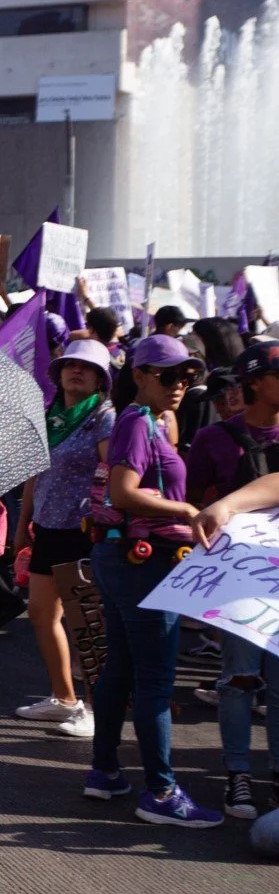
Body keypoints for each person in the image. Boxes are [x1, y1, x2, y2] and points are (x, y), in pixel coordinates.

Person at [82, 335, 221, 826]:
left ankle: (104, 772)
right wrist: (186, 509)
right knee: (155, 683)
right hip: (142, 562)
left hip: (127, 559)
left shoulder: (150, 421)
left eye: (188, 375)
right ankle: (161, 793)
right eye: (169, 375)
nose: (180, 384)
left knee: (120, 668)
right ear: (139, 375)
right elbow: (123, 492)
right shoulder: (138, 422)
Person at [180, 340, 279, 818]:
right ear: (255, 382)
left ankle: (277, 776)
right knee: (238, 679)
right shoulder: (214, 439)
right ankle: (237, 775)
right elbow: (193, 501)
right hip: (239, 578)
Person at [11, 340, 115, 739]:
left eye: (86, 368)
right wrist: (24, 522)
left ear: (100, 379)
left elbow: (111, 469)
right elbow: (35, 473)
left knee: (85, 624)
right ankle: (64, 698)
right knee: (40, 612)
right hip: (48, 527)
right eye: (70, 364)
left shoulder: (105, 418)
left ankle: (93, 707)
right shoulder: (48, 416)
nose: (77, 371)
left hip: (83, 531)